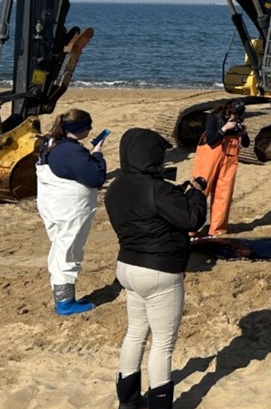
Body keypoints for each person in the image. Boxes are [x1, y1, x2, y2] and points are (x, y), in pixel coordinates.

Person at [105, 128, 207, 409]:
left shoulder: (116, 187)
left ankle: (128, 401)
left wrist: (178, 193)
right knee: (162, 344)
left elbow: (149, 211)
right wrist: (197, 194)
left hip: (128, 266)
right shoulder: (157, 189)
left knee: (135, 333)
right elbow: (191, 220)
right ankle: (160, 404)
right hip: (159, 271)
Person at [35, 108, 108, 316]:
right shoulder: (71, 152)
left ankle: (61, 295)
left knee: (60, 248)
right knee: (69, 251)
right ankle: (65, 302)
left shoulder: (50, 143)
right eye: (88, 125)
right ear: (79, 129)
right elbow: (96, 177)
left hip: (52, 205)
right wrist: (97, 154)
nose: (92, 128)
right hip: (69, 209)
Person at [191, 100, 249, 237]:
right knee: (200, 189)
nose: (234, 118)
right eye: (232, 115)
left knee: (224, 193)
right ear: (227, 111)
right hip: (209, 155)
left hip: (229, 157)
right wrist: (225, 128)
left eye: (236, 116)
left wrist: (244, 132)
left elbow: (246, 144)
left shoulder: (238, 121)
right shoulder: (213, 117)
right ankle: (190, 228)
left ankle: (217, 229)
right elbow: (211, 140)